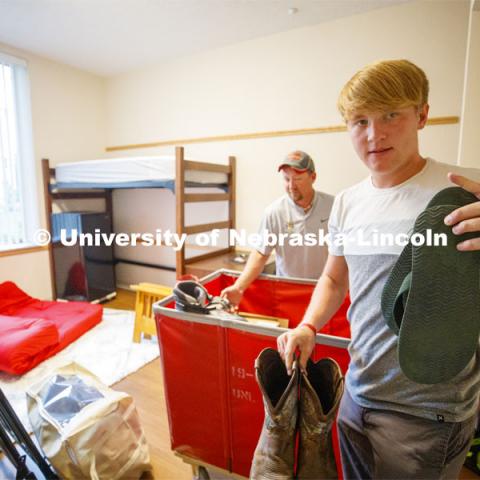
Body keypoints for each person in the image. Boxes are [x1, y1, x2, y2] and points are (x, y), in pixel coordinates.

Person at [277, 59, 480, 479]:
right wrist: (309, 326)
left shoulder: (462, 188)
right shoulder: (349, 202)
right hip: (357, 391)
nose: (375, 134)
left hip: (426, 413)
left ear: (422, 114)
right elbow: (335, 278)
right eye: (360, 121)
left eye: (391, 115)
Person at [221, 150, 334, 308]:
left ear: (313, 177)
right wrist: (239, 287)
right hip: (289, 290)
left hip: (324, 289)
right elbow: (261, 253)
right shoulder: (274, 212)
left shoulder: (333, 207)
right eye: (287, 179)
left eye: (298, 179)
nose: (291, 186)